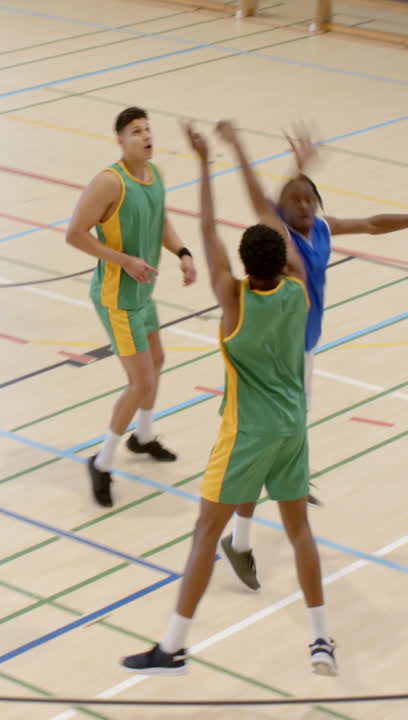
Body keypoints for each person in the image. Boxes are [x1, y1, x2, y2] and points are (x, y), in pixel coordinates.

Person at [121, 120, 337, 678]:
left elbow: (210, 227)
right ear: (283, 259)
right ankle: (320, 641)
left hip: (246, 433)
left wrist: (202, 161)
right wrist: (294, 176)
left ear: (243, 265)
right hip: (294, 429)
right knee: (298, 533)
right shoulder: (299, 289)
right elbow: (279, 227)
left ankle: (172, 647)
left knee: (204, 536)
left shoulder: (233, 300)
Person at [220, 126, 408, 590]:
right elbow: (260, 198)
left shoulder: (323, 230)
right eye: (294, 199)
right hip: (276, 355)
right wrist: (237, 147)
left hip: (304, 351)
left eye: (309, 198)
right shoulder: (282, 237)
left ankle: (276, 491)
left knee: (288, 434)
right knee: (269, 443)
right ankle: (239, 540)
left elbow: (374, 223)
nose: (303, 204)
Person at [65, 107, 197, 508]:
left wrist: (183, 252)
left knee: (156, 362)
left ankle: (142, 437)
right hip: (117, 297)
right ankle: (101, 462)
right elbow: (74, 234)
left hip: (143, 293)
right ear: (121, 141)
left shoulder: (154, 175)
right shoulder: (109, 182)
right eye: (136, 131)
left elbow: (160, 219)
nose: (146, 136)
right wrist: (124, 261)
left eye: (148, 129)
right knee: (140, 381)